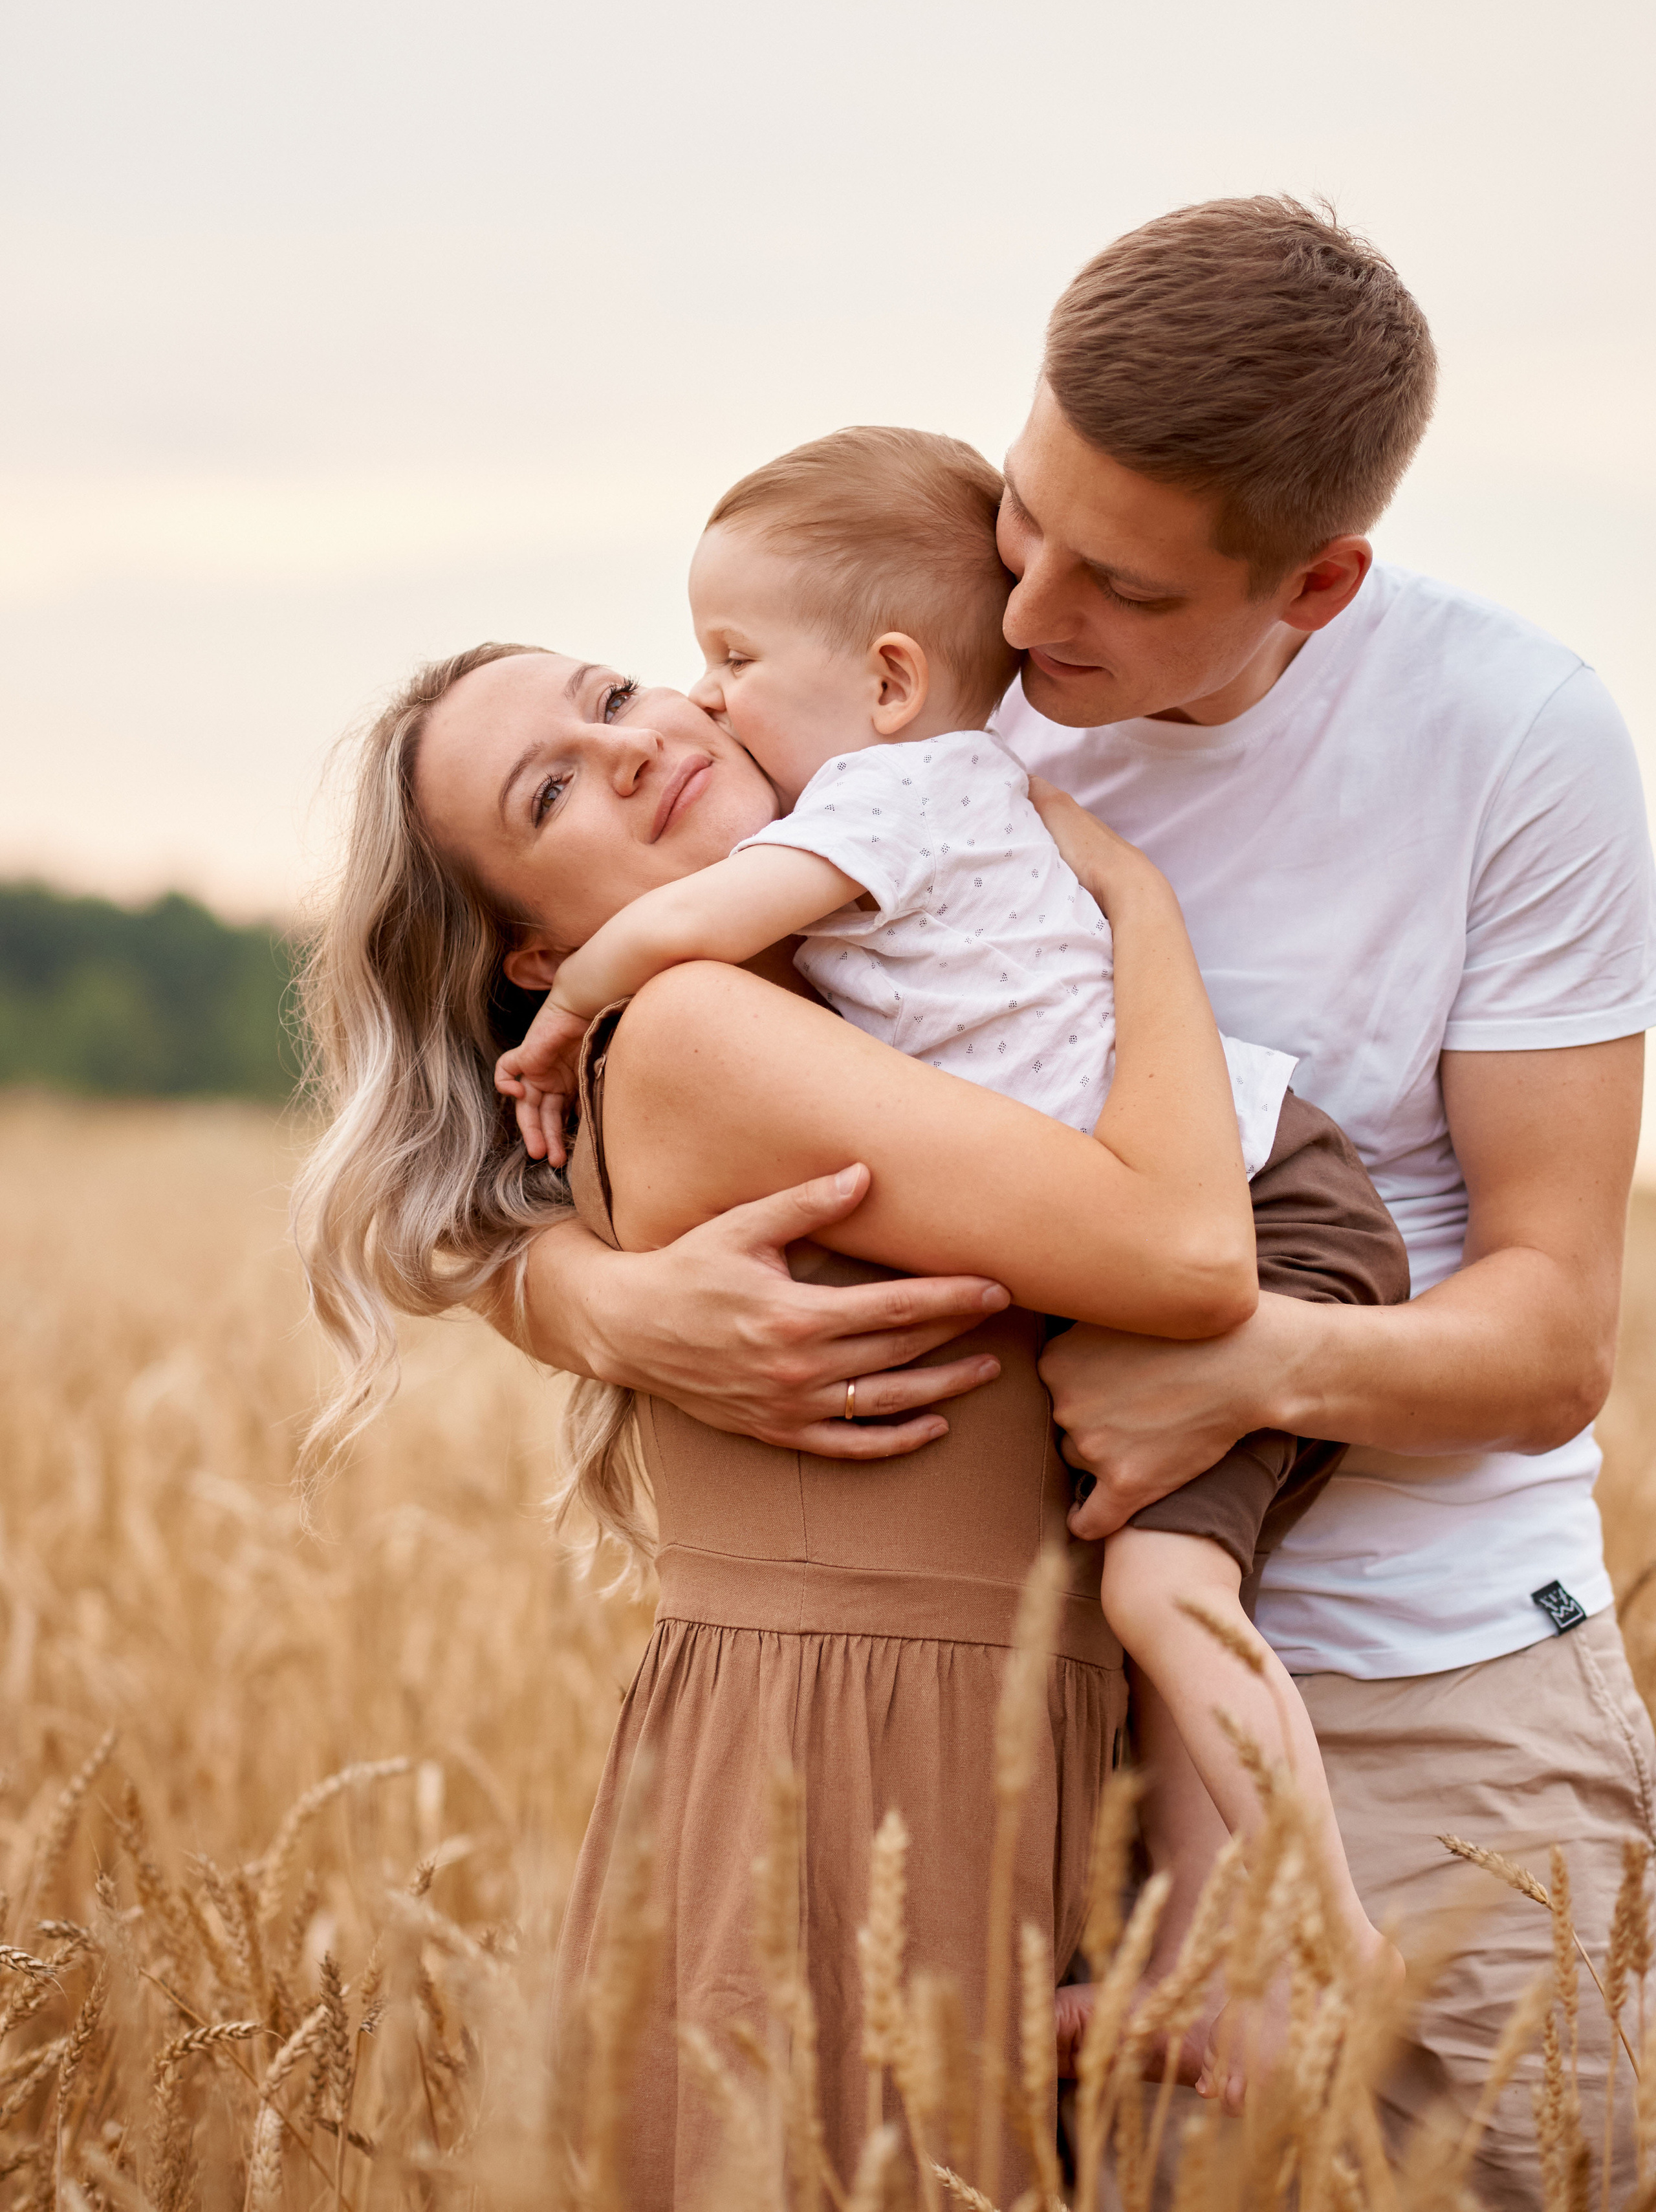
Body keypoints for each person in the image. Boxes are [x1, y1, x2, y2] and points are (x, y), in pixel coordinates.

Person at [506, 199, 1656, 2205]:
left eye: (1114, 585)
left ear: (1318, 581)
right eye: (1024, 520)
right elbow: (539, 1065)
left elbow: (1555, 1341)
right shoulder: (917, 667)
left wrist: (1232, 1362)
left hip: (1423, 1684)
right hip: (1022, 1723)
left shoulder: (1518, 745)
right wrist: (595, 1304)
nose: (1031, 620)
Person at [292, 624, 1276, 2204]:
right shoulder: (691, 1030)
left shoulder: (851, 999)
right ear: (535, 962)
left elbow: (470, 1221)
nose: (620, 746)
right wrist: (1136, 903)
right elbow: (1180, 1252)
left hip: (976, 1747)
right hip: (857, 1771)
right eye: (550, 795)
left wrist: (572, 1299)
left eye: (612, 695)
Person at [493, 422, 1411, 2041]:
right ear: (506, 936)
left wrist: (575, 1003)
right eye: (551, 784)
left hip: (1267, 1217)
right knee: (1172, 1597)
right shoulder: (752, 980)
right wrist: (573, 1291)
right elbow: (430, 1224)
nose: (677, 713)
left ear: (894, 678)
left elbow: (1190, 1263)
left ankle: (1296, 1945)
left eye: (643, 681)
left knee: (1169, 1599)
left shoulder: (875, 822)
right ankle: (1233, 1965)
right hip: (880, 1724)